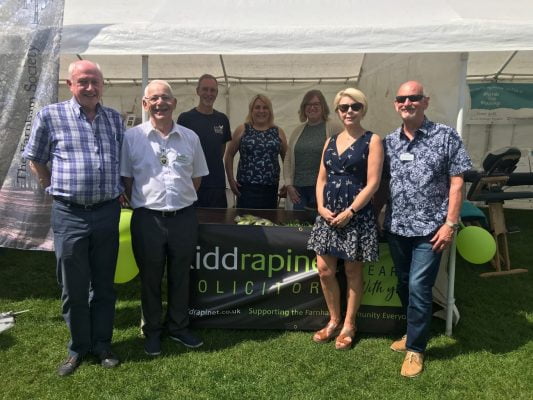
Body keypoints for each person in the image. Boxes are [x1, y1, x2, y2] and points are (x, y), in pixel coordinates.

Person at [23, 60, 123, 376]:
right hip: (70, 214)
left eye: (95, 81)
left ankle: (102, 344)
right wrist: (50, 187)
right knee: (74, 287)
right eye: (83, 82)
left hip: (107, 212)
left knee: (104, 285)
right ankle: (78, 348)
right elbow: (34, 158)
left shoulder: (115, 120)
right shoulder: (50, 116)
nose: (90, 88)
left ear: (103, 85)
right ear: (71, 84)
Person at [383, 81, 472, 377]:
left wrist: (450, 223)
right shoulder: (389, 141)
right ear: (396, 104)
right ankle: (413, 332)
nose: (407, 102)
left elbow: (457, 183)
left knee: (420, 287)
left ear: (425, 101)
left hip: (431, 230)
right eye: (401, 99)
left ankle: (416, 350)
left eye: (413, 98)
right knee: (403, 283)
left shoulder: (445, 136)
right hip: (397, 227)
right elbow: (382, 184)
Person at [120, 80, 208, 356]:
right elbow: (127, 180)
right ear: (145, 104)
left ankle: (179, 327)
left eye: (165, 98)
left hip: (183, 217)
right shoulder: (131, 137)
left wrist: (176, 203)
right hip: (148, 219)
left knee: (181, 275)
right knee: (150, 277)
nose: (160, 103)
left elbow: (196, 180)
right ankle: (152, 331)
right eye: (154, 99)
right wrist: (152, 203)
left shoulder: (190, 137)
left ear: (174, 103)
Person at [307, 88, 383, 350]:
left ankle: (350, 324)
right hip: (328, 215)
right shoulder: (329, 141)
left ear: (363, 109)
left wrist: (351, 211)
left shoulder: (373, 140)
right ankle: (334, 320)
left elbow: (373, 183)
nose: (349, 111)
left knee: (352, 271)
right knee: (325, 271)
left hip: (356, 215)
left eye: (355, 106)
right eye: (343, 107)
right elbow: (321, 179)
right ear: (337, 111)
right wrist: (320, 207)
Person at [224, 94, 288, 209]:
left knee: (268, 223)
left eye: (265, 107)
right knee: (246, 223)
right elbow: (229, 155)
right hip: (246, 188)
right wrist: (230, 180)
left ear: (270, 111)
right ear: (251, 110)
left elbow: (287, 160)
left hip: (271, 188)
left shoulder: (278, 132)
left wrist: (288, 183)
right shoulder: (242, 130)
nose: (261, 111)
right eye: (257, 107)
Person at [177, 74, 231, 208]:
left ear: (217, 93)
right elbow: (180, 152)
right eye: (205, 89)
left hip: (216, 185)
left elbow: (221, 150)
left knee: (218, 225)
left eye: (212, 90)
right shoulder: (185, 119)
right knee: (193, 226)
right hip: (192, 184)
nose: (209, 93)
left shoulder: (222, 119)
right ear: (198, 91)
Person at [284, 90, 342, 210]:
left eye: (316, 104)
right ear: (304, 108)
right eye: (308, 105)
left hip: (322, 189)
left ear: (323, 107)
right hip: (298, 191)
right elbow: (288, 159)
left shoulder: (335, 128)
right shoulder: (297, 131)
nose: (312, 107)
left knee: (318, 227)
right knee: (298, 227)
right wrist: (289, 185)